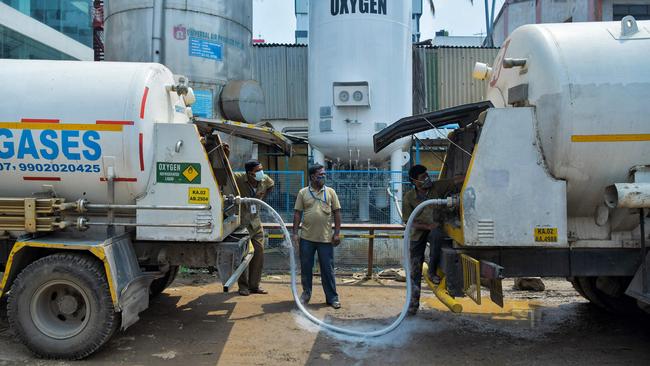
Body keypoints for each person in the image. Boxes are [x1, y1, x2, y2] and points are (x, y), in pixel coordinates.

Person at [402, 164, 452, 315]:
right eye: (423, 177)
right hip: (418, 233)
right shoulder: (409, 197)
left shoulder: (436, 188)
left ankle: (431, 270)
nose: (427, 179)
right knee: (415, 269)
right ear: (414, 181)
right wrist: (427, 226)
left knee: (437, 234)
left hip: (435, 229)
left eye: (427, 175)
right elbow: (408, 221)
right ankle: (412, 305)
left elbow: (455, 181)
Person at [292, 164, 342, 309]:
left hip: (325, 239)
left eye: (324, 174)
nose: (323, 177)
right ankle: (306, 294)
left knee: (327, 269)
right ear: (313, 176)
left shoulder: (331, 192)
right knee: (306, 268)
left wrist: (337, 233)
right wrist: (295, 234)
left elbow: (337, 213)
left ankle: (332, 298)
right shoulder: (303, 193)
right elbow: (297, 214)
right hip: (306, 239)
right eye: (321, 174)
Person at [234, 159, 274, 296]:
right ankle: (243, 286)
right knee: (242, 255)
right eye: (257, 171)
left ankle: (254, 286)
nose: (261, 172)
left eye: (261, 169)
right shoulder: (239, 178)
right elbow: (225, 176)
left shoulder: (264, 179)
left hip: (256, 223)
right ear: (250, 173)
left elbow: (271, 185)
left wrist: (261, 200)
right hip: (241, 224)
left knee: (259, 253)